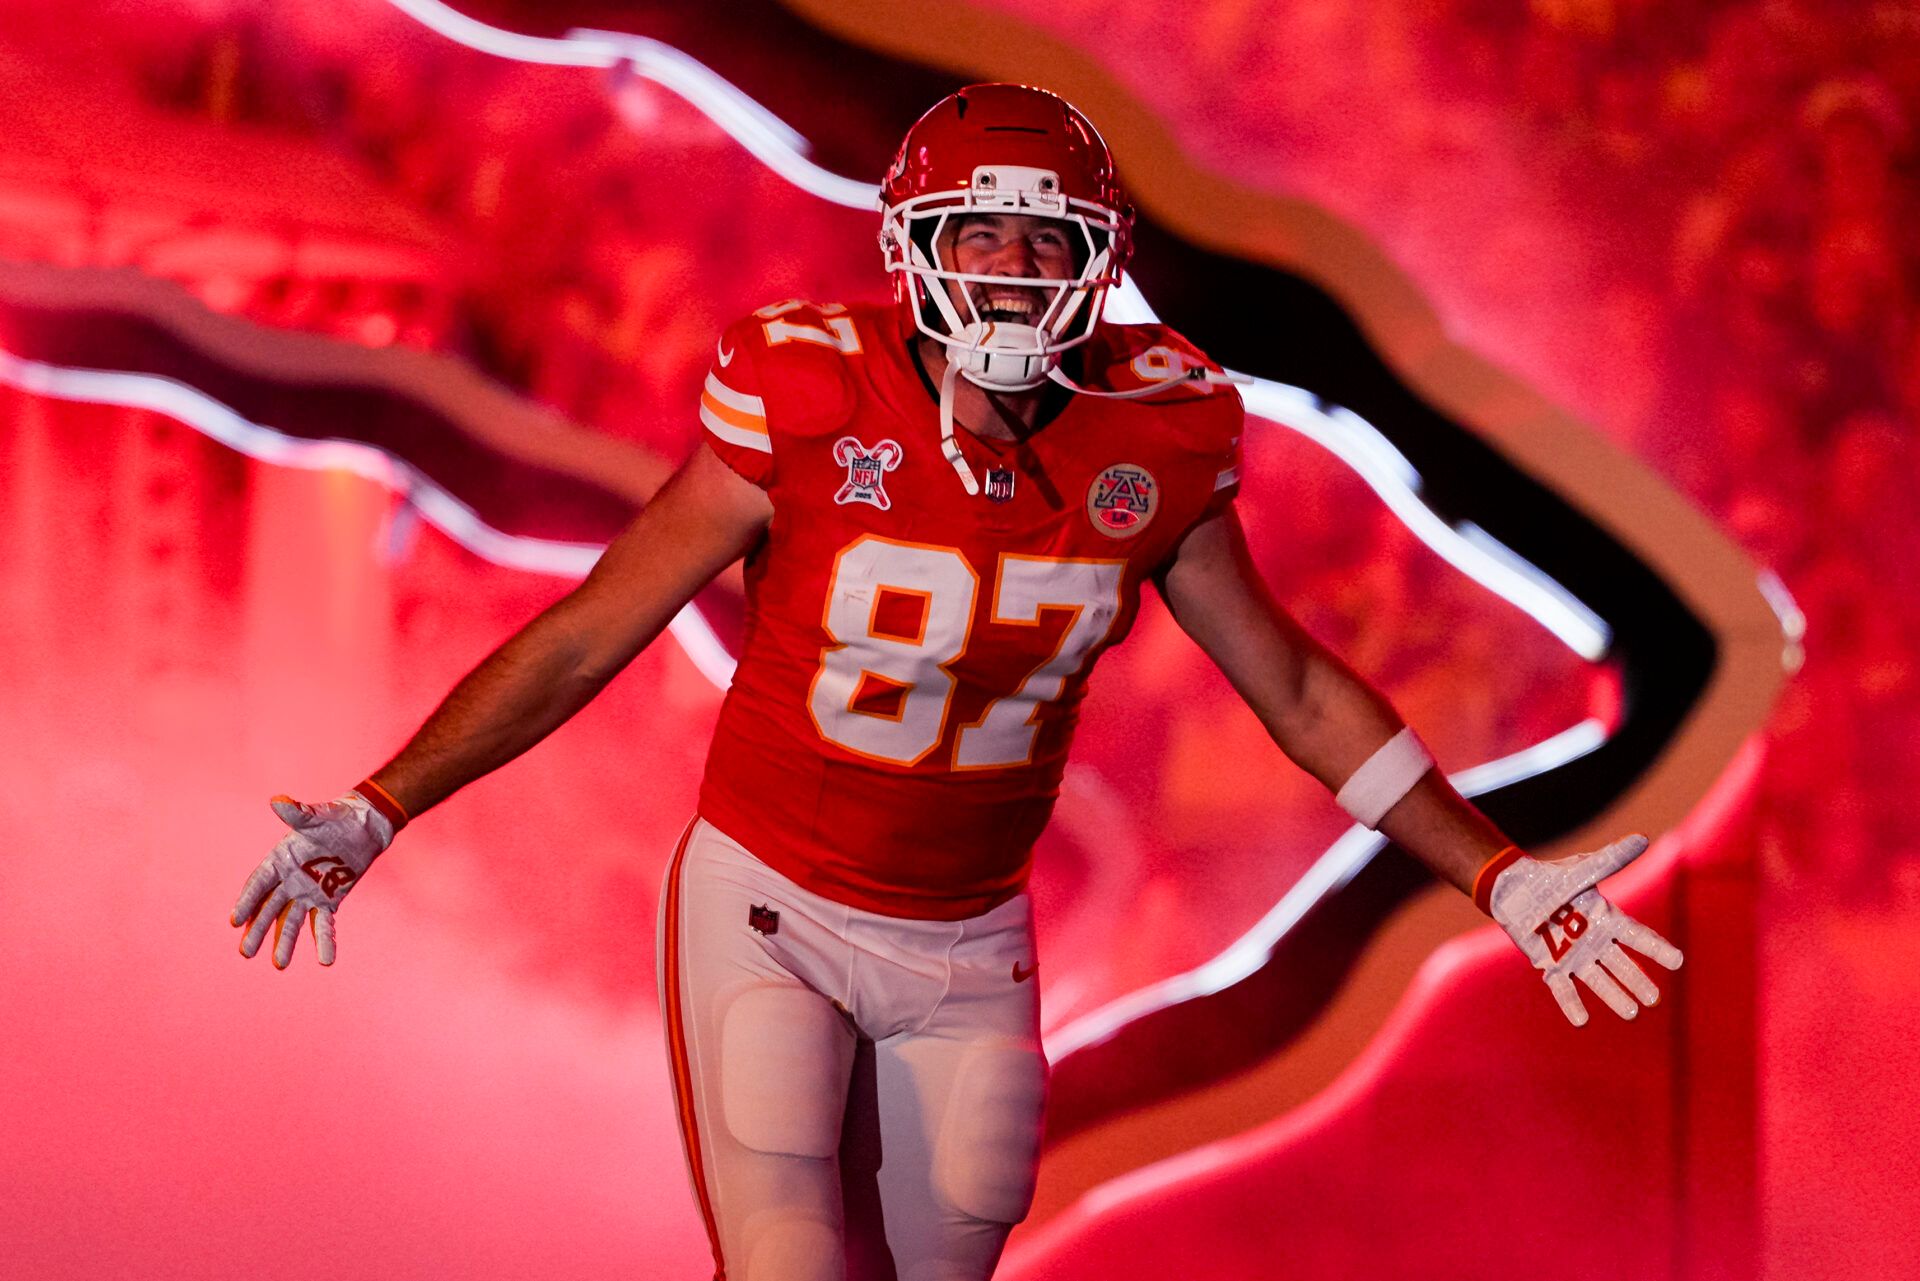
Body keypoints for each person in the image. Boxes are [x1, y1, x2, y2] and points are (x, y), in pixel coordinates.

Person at [229, 83, 1683, 1281]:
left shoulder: (1160, 425)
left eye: (1047, 242)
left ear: (1097, 265)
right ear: (912, 245)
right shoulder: (809, 390)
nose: (1010, 268)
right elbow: (591, 630)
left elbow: (1294, 689)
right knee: (786, 1265)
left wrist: (1495, 874)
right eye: (978, 232)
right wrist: (381, 804)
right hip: (773, 902)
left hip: (970, 936)